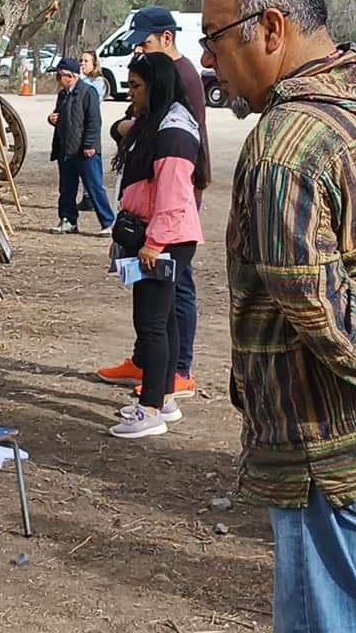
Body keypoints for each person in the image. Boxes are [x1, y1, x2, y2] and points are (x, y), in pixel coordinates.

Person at [202, 0, 356, 629]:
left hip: (324, 460)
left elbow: (318, 306)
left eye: (214, 40)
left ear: (272, 30)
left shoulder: (288, 144)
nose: (209, 61)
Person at [97, 6, 210, 396]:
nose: (140, 52)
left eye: (145, 45)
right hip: (155, 216)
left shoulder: (181, 90)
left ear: (167, 38)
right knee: (157, 314)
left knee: (168, 304)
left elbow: (176, 174)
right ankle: (150, 364)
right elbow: (134, 127)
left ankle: (170, 378)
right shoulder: (156, 102)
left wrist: (155, 239)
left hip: (169, 219)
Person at [107, 53, 203, 438]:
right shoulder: (157, 123)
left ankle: (149, 409)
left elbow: (174, 194)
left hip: (164, 238)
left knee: (150, 324)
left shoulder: (174, 131)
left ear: (157, 86)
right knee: (164, 320)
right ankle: (163, 397)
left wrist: (154, 242)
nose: (132, 95)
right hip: (153, 234)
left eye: (137, 87)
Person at [48, 57, 114, 236]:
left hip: (85, 151)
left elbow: (94, 121)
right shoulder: (63, 95)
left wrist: (90, 144)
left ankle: (108, 222)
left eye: (60, 75)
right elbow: (62, 116)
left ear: (71, 76)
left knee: (94, 187)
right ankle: (68, 220)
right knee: (66, 189)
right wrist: (53, 119)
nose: (58, 79)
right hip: (66, 150)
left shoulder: (88, 92)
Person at [76, 50, 107, 211]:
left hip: (91, 124)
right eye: (81, 61)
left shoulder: (98, 82)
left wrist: (79, 77)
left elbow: (89, 95)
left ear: (94, 64)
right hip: (78, 126)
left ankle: (93, 197)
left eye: (86, 61)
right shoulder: (81, 80)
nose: (82, 64)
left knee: (92, 163)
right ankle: (87, 195)